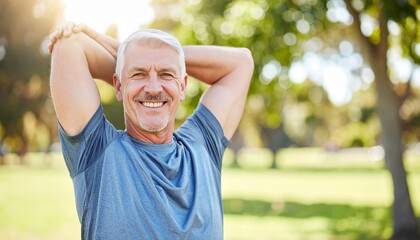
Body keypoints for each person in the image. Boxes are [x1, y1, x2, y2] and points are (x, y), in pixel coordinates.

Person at [49, 22, 253, 239]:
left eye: (166, 74)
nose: (154, 89)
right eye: (139, 75)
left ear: (182, 86)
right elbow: (69, 44)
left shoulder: (202, 144)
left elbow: (242, 62)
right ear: (118, 86)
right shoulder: (96, 149)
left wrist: (139, 55)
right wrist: (132, 55)